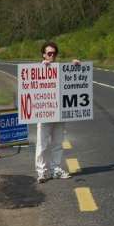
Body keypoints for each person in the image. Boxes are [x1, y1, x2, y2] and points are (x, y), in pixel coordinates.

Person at [35, 41, 79, 183]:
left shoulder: (60, 68)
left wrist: (75, 67)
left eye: (54, 53)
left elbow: (71, 81)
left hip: (59, 112)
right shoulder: (36, 70)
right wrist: (43, 68)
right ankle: (41, 172)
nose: (52, 55)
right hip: (44, 113)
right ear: (44, 55)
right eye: (49, 53)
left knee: (58, 143)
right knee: (42, 145)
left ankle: (56, 169)